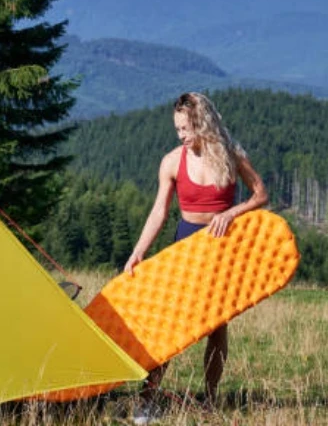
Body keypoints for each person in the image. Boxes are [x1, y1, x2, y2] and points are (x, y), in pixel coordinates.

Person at [124, 92, 268, 416]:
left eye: (186, 129)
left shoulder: (231, 155)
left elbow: (261, 194)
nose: (182, 136)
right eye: (177, 129)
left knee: (216, 328)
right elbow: (159, 211)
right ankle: (147, 400)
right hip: (186, 243)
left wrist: (231, 213)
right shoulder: (172, 161)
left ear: (202, 123)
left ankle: (210, 400)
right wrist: (138, 252)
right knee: (170, 324)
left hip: (221, 246)